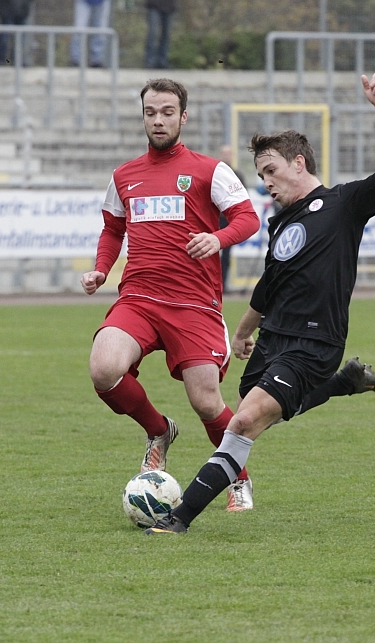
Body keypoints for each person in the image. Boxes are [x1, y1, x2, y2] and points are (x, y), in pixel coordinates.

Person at [145, 70, 375, 535]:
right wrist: (243, 331)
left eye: (270, 171)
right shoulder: (281, 223)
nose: (265, 182)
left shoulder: (345, 204)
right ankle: (343, 384)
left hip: (314, 343)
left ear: (298, 163)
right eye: (260, 175)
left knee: (244, 423)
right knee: (254, 413)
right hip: (273, 340)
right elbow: (270, 285)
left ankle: (178, 519)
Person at [81, 78, 261, 510]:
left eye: (166, 112)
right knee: (103, 369)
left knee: (206, 402)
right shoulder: (124, 176)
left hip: (194, 303)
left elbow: (248, 218)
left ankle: (239, 479)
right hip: (139, 298)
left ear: (183, 117)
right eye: (150, 113)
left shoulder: (210, 170)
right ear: (143, 117)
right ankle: (159, 430)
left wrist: (217, 238)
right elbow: (113, 229)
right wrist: (102, 268)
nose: (158, 120)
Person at [217, 144, 248, 293]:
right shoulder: (214, 173)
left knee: (226, 256)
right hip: (216, 219)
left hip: (228, 220)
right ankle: (214, 284)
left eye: (228, 153)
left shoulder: (237, 176)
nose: (226, 156)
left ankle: (223, 284)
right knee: (211, 252)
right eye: (224, 153)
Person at [70, 0, 111, 67]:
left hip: (102, 2)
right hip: (83, 1)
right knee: (79, 29)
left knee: (100, 30)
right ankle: (76, 60)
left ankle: (96, 61)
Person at [0, 0, 31, 65]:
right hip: (7, 11)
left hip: (22, 11)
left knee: (20, 39)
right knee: (5, 39)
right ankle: (2, 60)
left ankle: (17, 60)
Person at [145, 0, 176, 70]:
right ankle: (150, 61)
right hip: (154, 6)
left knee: (166, 35)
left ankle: (162, 61)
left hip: (169, 7)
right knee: (152, 33)